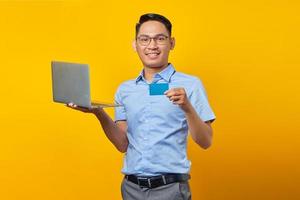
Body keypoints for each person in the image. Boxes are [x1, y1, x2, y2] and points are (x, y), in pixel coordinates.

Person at [67, 13, 215, 200]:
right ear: (135, 45)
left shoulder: (190, 85)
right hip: (131, 189)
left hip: (170, 189)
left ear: (172, 43)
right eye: (144, 39)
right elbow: (122, 144)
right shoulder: (125, 90)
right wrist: (98, 112)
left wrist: (187, 107)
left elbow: (206, 141)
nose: (152, 46)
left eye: (160, 38)